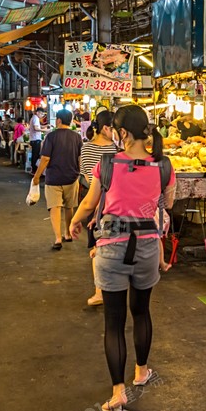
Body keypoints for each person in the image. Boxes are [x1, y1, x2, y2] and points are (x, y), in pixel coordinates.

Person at [69, 105, 175, 411]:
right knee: (141, 312)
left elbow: (90, 202)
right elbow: (167, 204)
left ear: (122, 133)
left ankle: (118, 394)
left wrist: (75, 222)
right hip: (146, 249)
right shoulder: (164, 166)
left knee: (113, 324)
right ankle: (141, 371)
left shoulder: (107, 163)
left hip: (112, 248)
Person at [79, 111, 119, 307]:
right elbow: (87, 177)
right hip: (97, 200)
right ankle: (99, 291)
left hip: (114, 202)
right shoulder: (87, 148)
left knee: (109, 243)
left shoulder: (116, 147)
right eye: (115, 128)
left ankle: (106, 289)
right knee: (98, 245)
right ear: (106, 128)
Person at [31, 109, 82, 250]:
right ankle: (68, 234)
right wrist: (78, 173)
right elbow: (79, 158)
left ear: (58, 120)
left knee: (55, 206)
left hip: (54, 178)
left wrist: (36, 176)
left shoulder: (51, 137)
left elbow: (45, 158)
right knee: (69, 206)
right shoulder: (76, 137)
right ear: (70, 121)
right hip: (71, 177)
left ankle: (58, 238)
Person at [29, 108, 45, 172]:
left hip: (34, 139)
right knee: (35, 155)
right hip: (35, 140)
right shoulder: (35, 118)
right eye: (41, 113)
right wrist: (45, 130)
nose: (42, 115)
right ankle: (34, 170)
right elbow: (36, 128)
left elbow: (38, 126)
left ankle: (34, 169)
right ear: (38, 112)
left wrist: (45, 126)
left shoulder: (34, 118)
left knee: (35, 155)